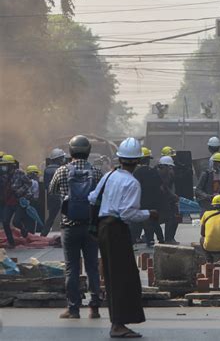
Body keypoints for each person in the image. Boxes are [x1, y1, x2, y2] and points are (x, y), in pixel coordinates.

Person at [89, 137, 159, 339]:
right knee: (123, 278)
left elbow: (92, 197)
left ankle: (118, 322)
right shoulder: (132, 183)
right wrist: (149, 213)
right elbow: (128, 214)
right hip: (116, 230)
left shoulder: (109, 176)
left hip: (103, 227)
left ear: (119, 159)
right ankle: (118, 325)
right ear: (137, 161)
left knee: (113, 276)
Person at [49, 135, 102, 319]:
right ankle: (94, 308)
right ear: (88, 152)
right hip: (90, 228)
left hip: (69, 227)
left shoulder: (62, 171)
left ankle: (73, 309)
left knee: (72, 268)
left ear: (70, 151)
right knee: (92, 267)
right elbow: (102, 195)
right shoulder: (96, 172)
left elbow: (52, 190)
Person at [132, 147, 164, 247]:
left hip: (141, 201)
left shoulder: (136, 172)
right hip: (154, 202)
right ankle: (158, 239)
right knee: (154, 221)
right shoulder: (154, 171)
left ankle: (137, 240)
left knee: (140, 221)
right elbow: (161, 186)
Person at [0, 154, 32, 247]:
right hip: (8, 202)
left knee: (16, 222)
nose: (3, 167)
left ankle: (23, 230)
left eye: (5, 165)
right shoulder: (3, 176)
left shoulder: (20, 173)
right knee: (5, 221)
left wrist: (19, 191)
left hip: (19, 201)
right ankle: (11, 242)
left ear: (11, 165)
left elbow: (28, 183)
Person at [42, 148, 66, 236]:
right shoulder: (61, 169)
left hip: (51, 197)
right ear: (58, 158)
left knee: (51, 217)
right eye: (62, 157)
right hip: (61, 196)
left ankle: (43, 235)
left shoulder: (46, 169)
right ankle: (66, 236)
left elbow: (45, 186)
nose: (63, 159)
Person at [156, 156, 180, 244]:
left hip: (169, 200)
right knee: (168, 218)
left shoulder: (168, 174)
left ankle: (169, 238)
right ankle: (167, 239)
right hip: (162, 201)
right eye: (169, 167)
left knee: (175, 218)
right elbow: (163, 188)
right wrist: (172, 195)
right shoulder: (159, 175)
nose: (170, 169)